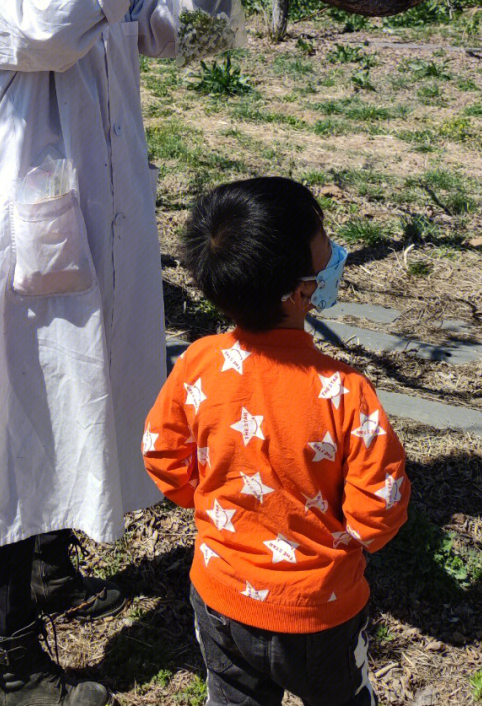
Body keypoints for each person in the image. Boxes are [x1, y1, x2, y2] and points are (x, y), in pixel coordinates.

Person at [0, 0, 242, 706]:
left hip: (94, 234)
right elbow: (46, 28)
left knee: (75, 399)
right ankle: (12, 662)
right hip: (29, 247)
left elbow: (197, 35)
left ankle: (48, 570)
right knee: (14, 423)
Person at [142, 177, 409, 706]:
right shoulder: (345, 393)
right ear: (301, 291)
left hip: (218, 597)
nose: (331, 245)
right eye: (321, 236)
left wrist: (217, 509)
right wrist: (348, 540)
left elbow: (162, 457)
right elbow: (379, 510)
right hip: (320, 612)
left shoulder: (196, 364)